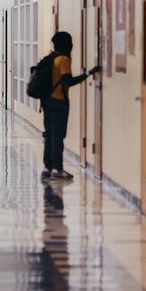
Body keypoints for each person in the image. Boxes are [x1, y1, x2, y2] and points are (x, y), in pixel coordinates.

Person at [39, 31, 98, 181]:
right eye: (70, 43)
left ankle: (47, 168)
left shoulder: (51, 58)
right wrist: (87, 74)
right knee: (58, 136)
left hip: (46, 101)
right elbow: (68, 81)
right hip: (59, 102)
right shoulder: (63, 59)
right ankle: (58, 169)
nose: (72, 45)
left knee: (50, 134)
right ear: (67, 44)